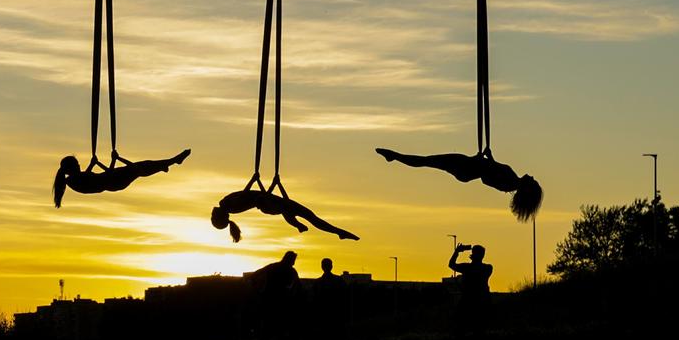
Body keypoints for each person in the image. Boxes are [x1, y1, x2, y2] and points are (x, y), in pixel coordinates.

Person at [374, 147, 542, 221]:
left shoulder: (510, 182)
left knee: (426, 161)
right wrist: (488, 158)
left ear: (527, 188)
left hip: (466, 168)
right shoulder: (512, 180)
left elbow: (487, 179)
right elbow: (492, 171)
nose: (532, 176)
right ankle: (394, 156)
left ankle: (394, 156)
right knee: (427, 161)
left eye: (533, 180)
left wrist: (481, 163)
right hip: (468, 167)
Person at [211, 185, 358, 243]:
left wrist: (259, 182)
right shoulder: (229, 206)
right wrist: (262, 184)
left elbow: (247, 194)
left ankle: (338, 232)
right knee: (306, 215)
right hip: (269, 203)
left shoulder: (227, 205)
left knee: (305, 215)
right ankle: (337, 232)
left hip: (269, 202)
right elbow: (250, 195)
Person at [52, 148, 190, 207]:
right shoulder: (73, 180)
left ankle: (166, 164)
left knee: (140, 167)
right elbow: (103, 176)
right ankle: (170, 162)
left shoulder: (75, 179)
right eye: (76, 164)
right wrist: (114, 159)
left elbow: (104, 174)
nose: (79, 166)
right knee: (137, 168)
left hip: (112, 180)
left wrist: (100, 163)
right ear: (70, 168)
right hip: (114, 182)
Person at [450, 243, 492, 331]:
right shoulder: (487, 268)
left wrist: (457, 252)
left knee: (460, 325)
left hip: (468, 300)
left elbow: (451, 264)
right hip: (481, 301)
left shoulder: (467, 267)